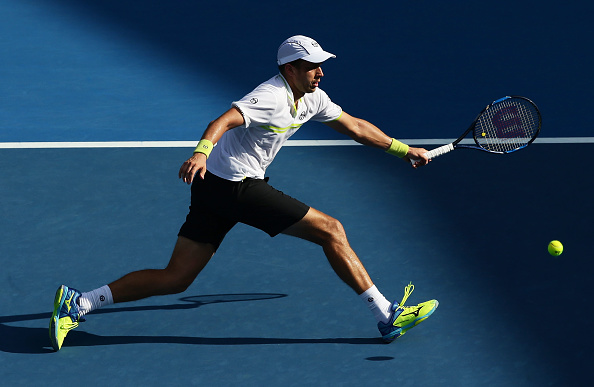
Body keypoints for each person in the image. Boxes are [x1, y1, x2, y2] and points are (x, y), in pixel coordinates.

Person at [50, 35, 438, 351]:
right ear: (289, 70)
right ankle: (385, 314)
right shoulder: (270, 96)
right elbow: (224, 119)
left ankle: (79, 302)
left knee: (177, 277)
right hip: (235, 186)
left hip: (213, 189)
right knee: (331, 230)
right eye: (312, 66)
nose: (320, 72)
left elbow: (354, 126)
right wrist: (201, 152)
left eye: (321, 64)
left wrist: (404, 151)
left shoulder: (313, 97)